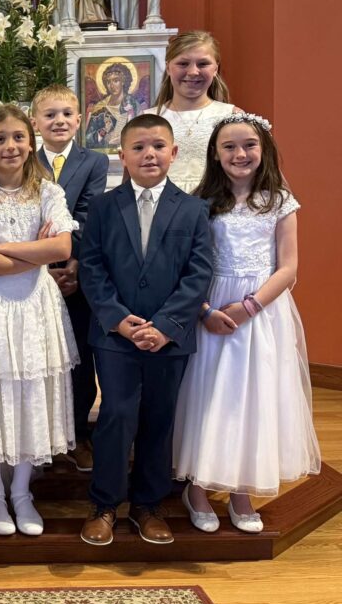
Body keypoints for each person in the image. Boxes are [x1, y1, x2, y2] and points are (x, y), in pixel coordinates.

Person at [174, 113, 320, 534]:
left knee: (252, 397)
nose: (240, 154)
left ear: (264, 149)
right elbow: (187, 264)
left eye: (249, 145)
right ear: (215, 154)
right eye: (230, 147)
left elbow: (288, 268)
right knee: (210, 396)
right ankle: (198, 488)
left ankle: (241, 490)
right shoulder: (200, 201)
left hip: (260, 311)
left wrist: (249, 306)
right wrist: (205, 309)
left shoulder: (279, 201)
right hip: (212, 308)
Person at [78, 114, 213, 546]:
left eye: (158, 146)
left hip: (169, 337)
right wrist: (117, 318)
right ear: (121, 156)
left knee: (159, 417)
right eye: (138, 147)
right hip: (117, 335)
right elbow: (93, 267)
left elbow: (199, 273)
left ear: (174, 153)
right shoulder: (102, 207)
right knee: (116, 414)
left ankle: (148, 505)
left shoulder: (193, 210)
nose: (148, 154)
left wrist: (168, 325)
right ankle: (104, 504)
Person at [0, 104, 78, 537]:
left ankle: (22, 492)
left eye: (18, 137)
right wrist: (30, 251)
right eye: (0, 139)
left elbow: (60, 250)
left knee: (30, 393)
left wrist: (1, 251)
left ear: (31, 142)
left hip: (34, 308)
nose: (11, 146)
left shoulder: (48, 192)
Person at [32, 85, 109, 473]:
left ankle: (79, 435)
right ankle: (41, 436)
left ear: (79, 121)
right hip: (32, 275)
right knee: (40, 358)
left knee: (79, 357)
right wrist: (43, 261)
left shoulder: (93, 162)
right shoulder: (24, 160)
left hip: (78, 274)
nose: (59, 121)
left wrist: (73, 263)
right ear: (35, 122)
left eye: (66, 114)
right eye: (50, 115)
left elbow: (89, 214)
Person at [146, 30, 242, 193]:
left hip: (216, 206)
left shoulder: (232, 117)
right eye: (183, 64)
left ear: (215, 69)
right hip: (162, 210)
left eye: (203, 64)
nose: (192, 72)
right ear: (168, 67)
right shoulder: (148, 119)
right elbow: (131, 180)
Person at [84, 60, 142, 150]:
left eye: (116, 80)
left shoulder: (133, 104)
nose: (112, 85)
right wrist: (103, 132)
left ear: (123, 81)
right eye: (108, 82)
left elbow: (143, 132)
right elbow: (87, 139)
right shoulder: (100, 107)